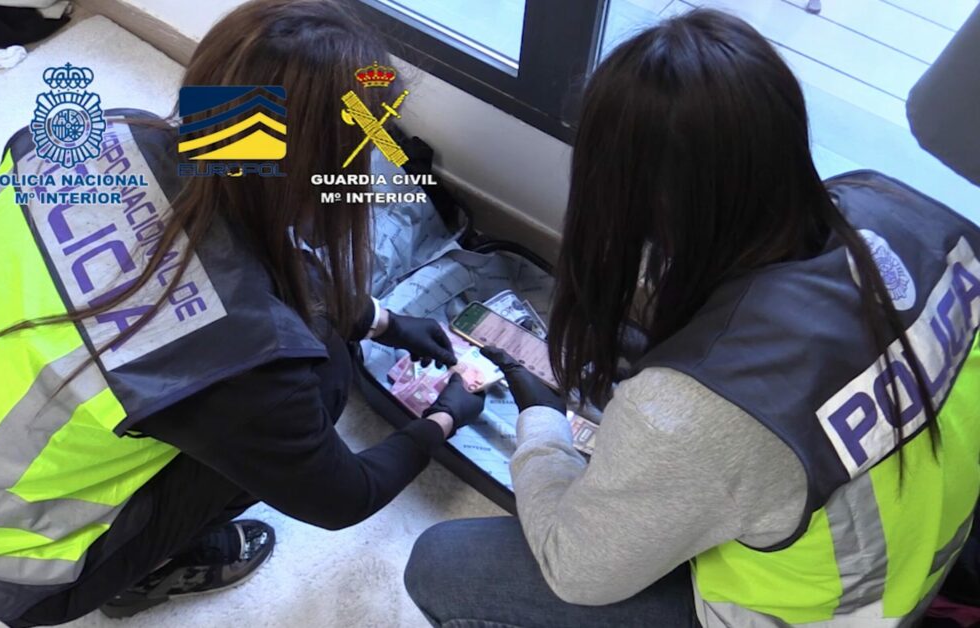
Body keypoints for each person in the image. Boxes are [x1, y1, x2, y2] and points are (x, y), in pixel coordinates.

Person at [405, 9, 980, 628]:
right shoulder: (897, 205)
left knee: (442, 565)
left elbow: (575, 569)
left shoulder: (685, 413)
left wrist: (541, 422)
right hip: (926, 548)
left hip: (817, 614)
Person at [0, 0, 484, 624]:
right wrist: (445, 418)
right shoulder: (241, 360)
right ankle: (142, 573)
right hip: (0, 553)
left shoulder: (109, 132)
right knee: (323, 377)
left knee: (304, 351)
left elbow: (245, 251)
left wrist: (381, 321)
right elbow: (344, 497)